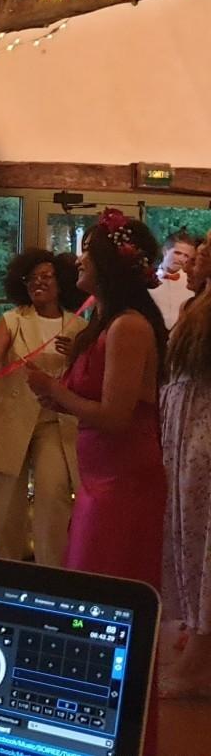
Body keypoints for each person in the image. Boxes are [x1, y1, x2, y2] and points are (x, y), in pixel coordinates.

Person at [27, 209, 165, 755]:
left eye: (86, 249)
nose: (77, 258)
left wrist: (53, 392)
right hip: (100, 482)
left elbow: (113, 413)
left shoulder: (130, 326)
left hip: (124, 489)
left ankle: (125, 738)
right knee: (89, 605)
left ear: (107, 261)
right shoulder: (106, 322)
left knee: (111, 611)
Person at [0, 249, 86, 565]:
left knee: (54, 500)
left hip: (55, 425)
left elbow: (86, 376)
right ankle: (6, 577)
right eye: (31, 278)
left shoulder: (77, 326)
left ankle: (51, 579)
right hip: (8, 423)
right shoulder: (13, 320)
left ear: (62, 283)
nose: (38, 282)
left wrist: (77, 353)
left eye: (46, 276)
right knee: (3, 509)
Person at [158, 228, 211, 698]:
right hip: (189, 434)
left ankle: (201, 657)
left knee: (204, 543)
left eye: (202, 257)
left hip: (206, 437)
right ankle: (195, 632)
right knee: (189, 538)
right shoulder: (196, 306)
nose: (191, 263)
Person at [150, 229, 198, 330]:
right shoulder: (148, 279)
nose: (181, 259)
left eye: (186, 256)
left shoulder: (193, 284)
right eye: (177, 253)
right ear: (164, 251)